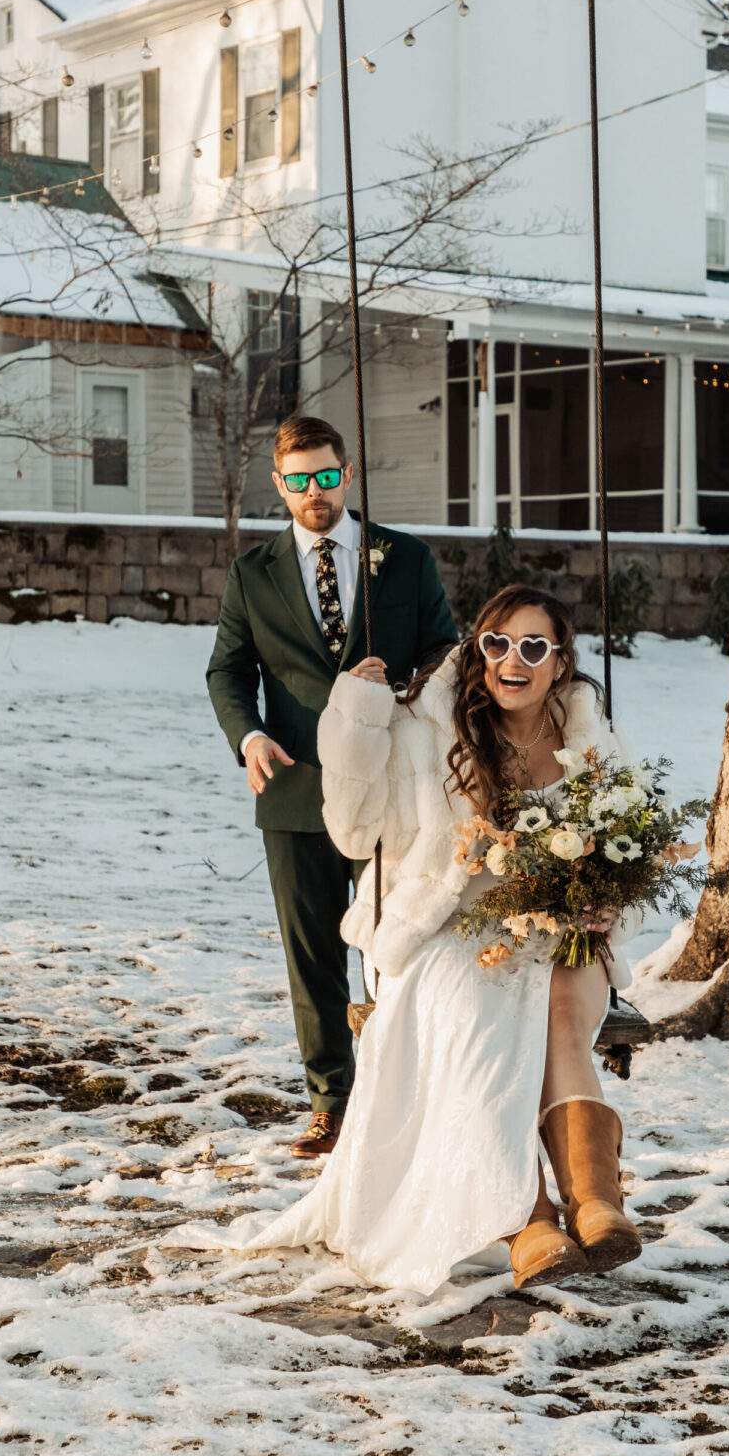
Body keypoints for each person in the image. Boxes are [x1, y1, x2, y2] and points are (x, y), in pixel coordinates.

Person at [185, 585, 642, 1295]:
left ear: (559, 663)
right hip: (445, 921)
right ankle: (526, 1220)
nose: (510, 661)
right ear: (476, 651)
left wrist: (605, 905)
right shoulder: (427, 727)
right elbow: (352, 831)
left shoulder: (589, 734)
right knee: (477, 1022)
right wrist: (357, 719)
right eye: (496, 643)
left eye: (532, 647)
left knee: (560, 1019)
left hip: (555, 921)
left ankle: (597, 1207)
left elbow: (627, 846)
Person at [205, 415, 456, 1159]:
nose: (313, 491)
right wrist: (248, 737)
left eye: (326, 475)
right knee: (311, 954)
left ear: (345, 474)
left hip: (388, 786)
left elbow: (446, 645)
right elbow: (227, 669)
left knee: (397, 945)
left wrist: (404, 686)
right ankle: (332, 1104)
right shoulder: (253, 573)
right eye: (298, 480)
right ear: (278, 486)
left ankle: (405, 1093)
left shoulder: (403, 558)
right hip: (294, 789)